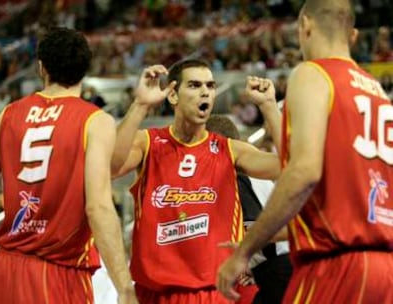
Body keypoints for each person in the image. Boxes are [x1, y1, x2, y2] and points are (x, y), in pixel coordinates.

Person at [0, 27, 174, 304]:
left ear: (41, 67)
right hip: (57, 273)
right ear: (85, 69)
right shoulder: (94, 120)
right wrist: (124, 286)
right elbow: (98, 206)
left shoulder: (10, 113)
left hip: (5, 270)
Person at [217, 1, 393, 303]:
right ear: (352, 36)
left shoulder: (314, 74)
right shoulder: (376, 92)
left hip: (337, 265)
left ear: (305, 27)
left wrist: (245, 250)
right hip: (384, 266)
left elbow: (301, 171)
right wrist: (272, 108)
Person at [112, 58, 282, 304]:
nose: (205, 92)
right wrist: (140, 105)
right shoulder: (148, 142)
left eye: (211, 86)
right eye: (194, 85)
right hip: (154, 293)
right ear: (172, 95)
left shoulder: (230, 149)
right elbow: (111, 167)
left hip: (211, 293)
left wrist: (269, 108)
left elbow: (289, 167)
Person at [206, 115, 292, 304]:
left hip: (276, 271)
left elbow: (251, 225)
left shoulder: (238, 179)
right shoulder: (257, 174)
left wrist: (242, 256)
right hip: (277, 268)